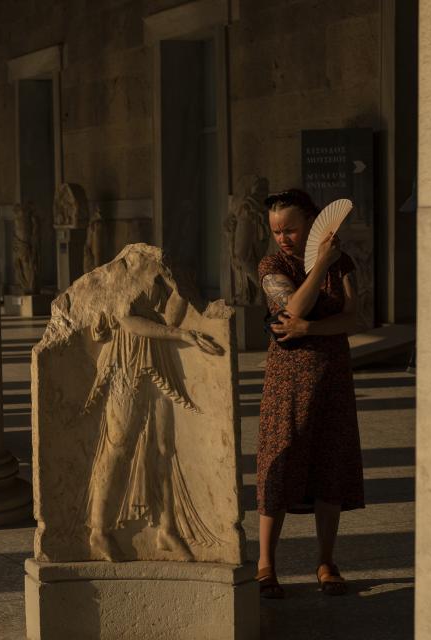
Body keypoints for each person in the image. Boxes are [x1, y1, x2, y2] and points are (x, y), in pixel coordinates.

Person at [254, 188, 365, 598]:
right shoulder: (272, 264)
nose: (283, 237)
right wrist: (319, 266)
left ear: (315, 222)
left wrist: (311, 330)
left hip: (333, 377)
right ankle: (267, 564)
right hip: (288, 380)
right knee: (279, 464)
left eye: (290, 229)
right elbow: (293, 310)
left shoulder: (346, 263)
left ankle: (326, 560)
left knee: (329, 464)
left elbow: (356, 318)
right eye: (276, 231)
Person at [82, 259, 224, 562]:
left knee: (163, 447)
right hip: (125, 360)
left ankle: (167, 527)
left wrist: (180, 291)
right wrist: (183, 336)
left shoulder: (162, 273)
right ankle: (99, 529)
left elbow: (169, 321)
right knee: (119, 445)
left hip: (155, 360)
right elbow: (128, 320)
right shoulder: (122, 272)